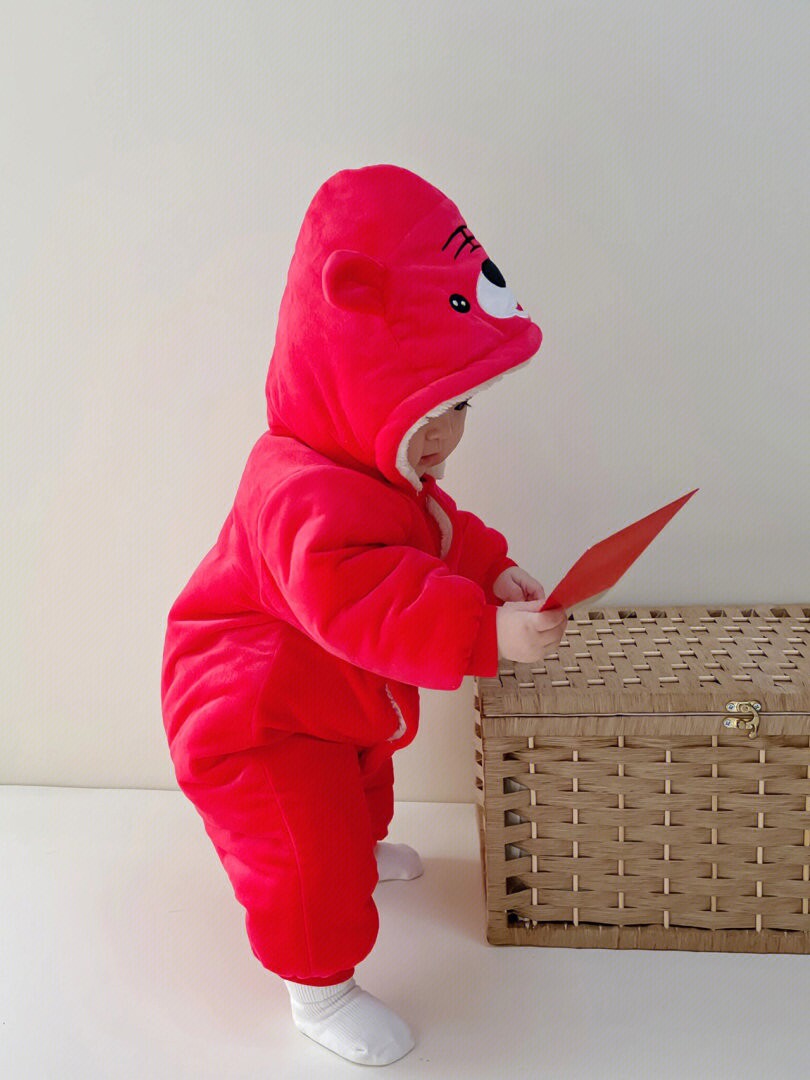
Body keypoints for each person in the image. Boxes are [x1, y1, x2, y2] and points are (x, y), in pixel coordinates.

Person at [161, 164, 568, 1067]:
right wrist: (485, 634)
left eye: (460, 405)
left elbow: (435, 531)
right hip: (251, 716)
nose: (447, 432)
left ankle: (356, 845)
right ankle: (319, 991)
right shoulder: (297, 490)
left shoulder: (378, 471)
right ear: (349, 376)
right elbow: (364, 597)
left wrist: (491, 570)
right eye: (428, 406)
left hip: (326, 698)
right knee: (307, 863)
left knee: (360, 789)